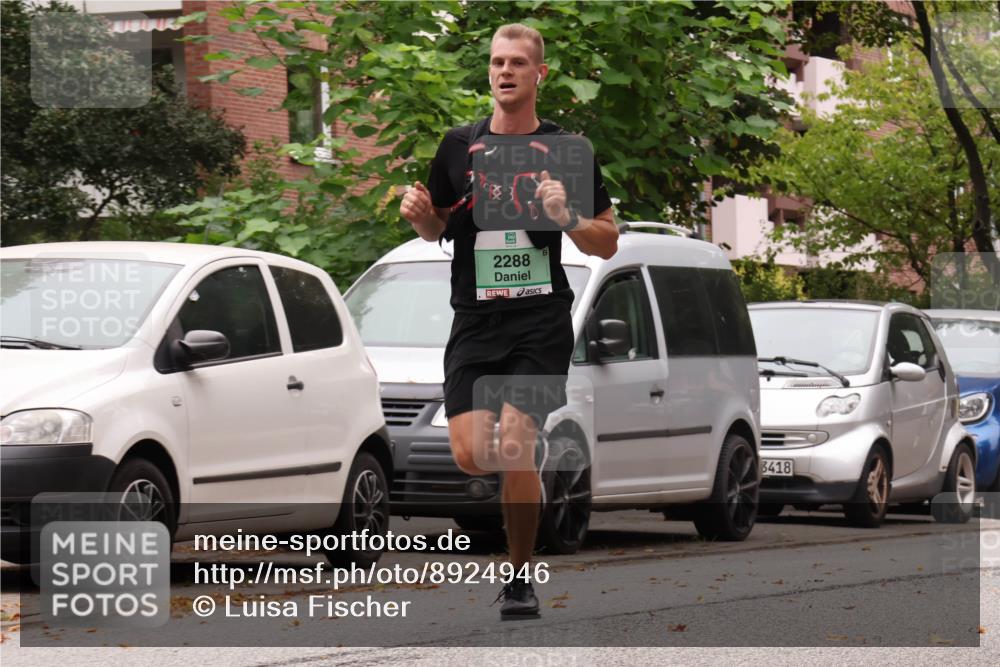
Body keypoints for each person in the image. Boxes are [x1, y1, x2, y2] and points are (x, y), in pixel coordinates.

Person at [399, 23, 618, 620]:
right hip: (474, 320)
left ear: (538, 74)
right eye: (497, 62)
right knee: (473, 456)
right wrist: (420, 215)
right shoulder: (458, 146)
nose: (505, 71)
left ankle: (519, 578)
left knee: (517, 446)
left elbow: (607, 242)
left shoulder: (567, 150)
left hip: (540, 318)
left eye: (518, 62)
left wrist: (567, 214)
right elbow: (440, 227)